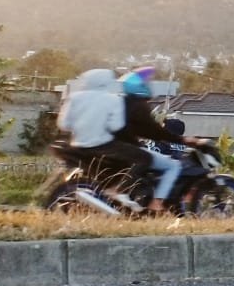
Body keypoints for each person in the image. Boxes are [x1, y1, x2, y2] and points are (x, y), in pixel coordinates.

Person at [56, 68, 163, 211]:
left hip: (77, 144)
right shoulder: (112, 99)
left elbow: (63, 124)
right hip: (103, 145)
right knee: (144, 158)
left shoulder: (74, 97)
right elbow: (116, 125)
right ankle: (119, 190)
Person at [114, 68, 202, 213]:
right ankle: (155, 203)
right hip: (131, 153)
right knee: (170, 167)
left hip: (119, 149)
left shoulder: (121, 104)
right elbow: (152, 132)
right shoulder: (138, 107)